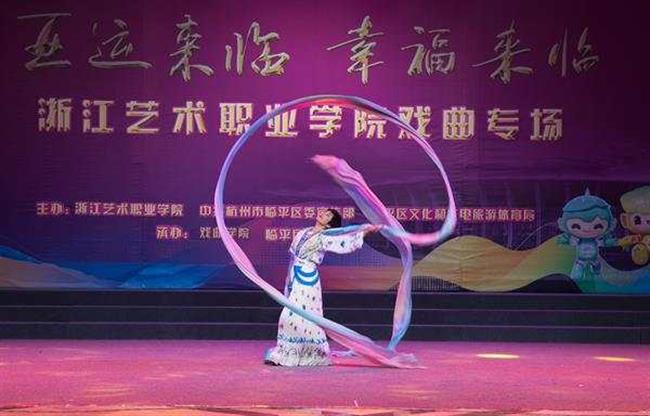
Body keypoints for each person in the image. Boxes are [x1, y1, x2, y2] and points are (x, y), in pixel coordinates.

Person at [264, 208, 381, 366]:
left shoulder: (325, 237)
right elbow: (293, 257)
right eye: (324, 212)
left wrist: (366, 231)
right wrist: (288, 280)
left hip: (308, 279)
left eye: (328, 215)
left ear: (329, 224)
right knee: (290, 313)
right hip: (295, 276)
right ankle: (286, 352)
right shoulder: (303, 232)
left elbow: (346, 242)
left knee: (302, 316)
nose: (323, 214)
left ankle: (310, 353)